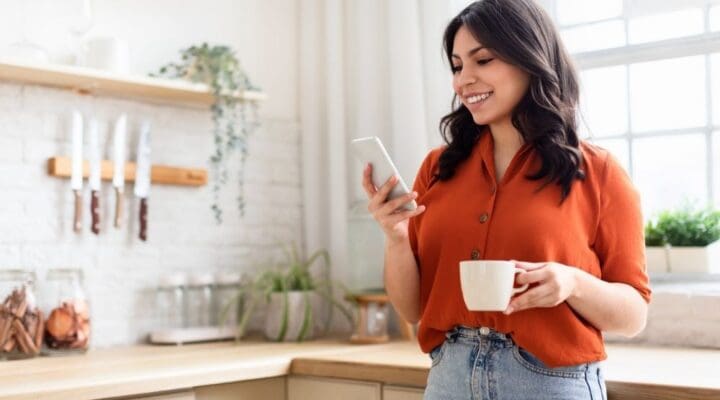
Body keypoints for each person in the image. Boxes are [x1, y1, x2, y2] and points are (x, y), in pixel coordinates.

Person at [361, 0, 651, 399]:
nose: (464, 80)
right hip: (450, 379)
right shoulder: (437, 168)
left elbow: (634, 315)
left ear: (529, 58)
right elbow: (413, 310)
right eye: (458, 65)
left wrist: (572, 283)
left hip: (548, 383)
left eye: (483, 61)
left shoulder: (599, 173)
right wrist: (395, 238)